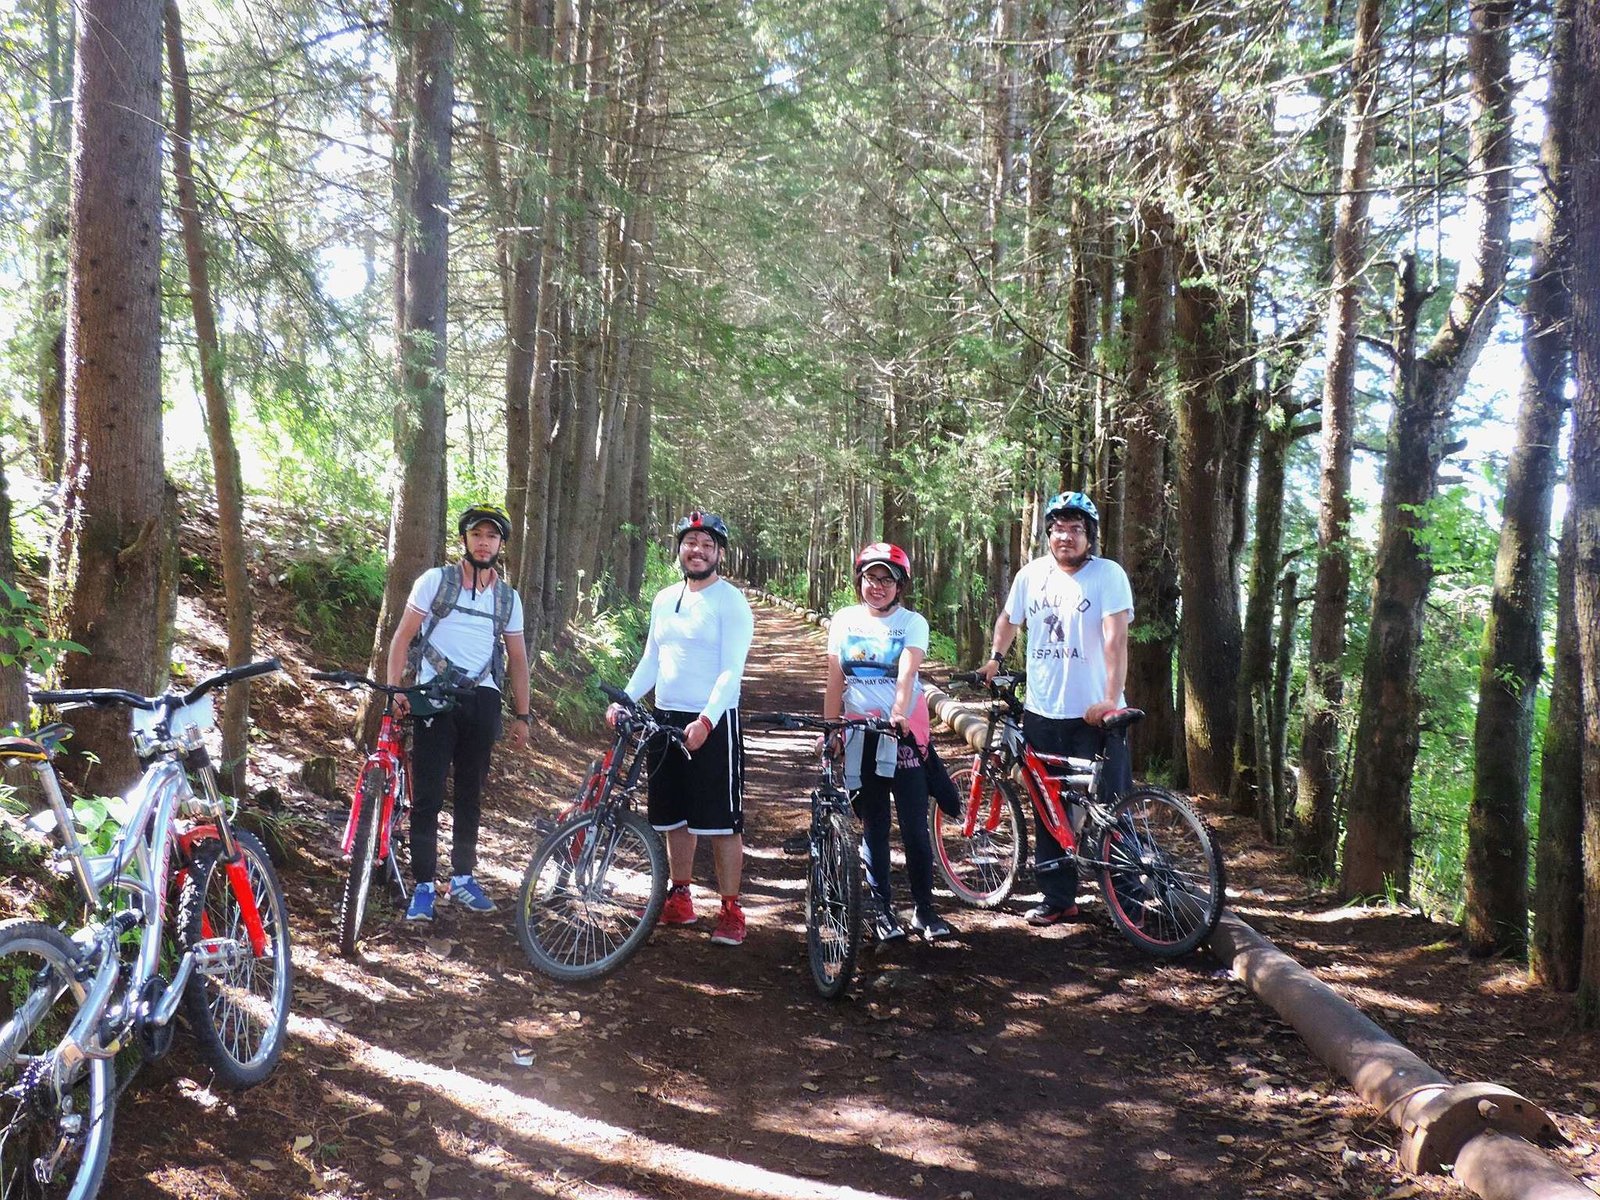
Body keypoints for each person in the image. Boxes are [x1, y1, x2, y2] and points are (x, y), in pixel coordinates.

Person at [976, 490, 1133, 927]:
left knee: (1113, 804)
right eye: (1059, 529)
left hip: (1095, 713)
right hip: (1043, 711)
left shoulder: (1108, 575)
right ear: (1048, 534)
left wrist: (1109, 698)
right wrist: (996, 657)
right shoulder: (1031, 576)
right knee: (1048, 805)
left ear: (1090, 536)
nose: (1066, 536)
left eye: (1076, 529)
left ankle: (1131, 901)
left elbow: (1116, 639)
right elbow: (1009, 619)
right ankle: (1058, 897)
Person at [608, 511, 755, 946]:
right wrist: (626, 700)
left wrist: (707, 720)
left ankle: (730, 907)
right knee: (673, 816)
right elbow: (652, 659)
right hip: (665, 716)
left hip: (713, 719)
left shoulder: (731, 602)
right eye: (690, 542)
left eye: (707, 544)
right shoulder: (664, 598)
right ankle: (680, 895)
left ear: (719, 554)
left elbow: (732, 671)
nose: (697, 550)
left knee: (723, 821)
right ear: (680, 549)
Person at [387, 503, 532, 922]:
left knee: (471, 794)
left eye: (491, 536)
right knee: (428, 795)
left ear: (500, 545)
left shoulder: (508, 598)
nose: (483, 543)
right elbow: (402, 637)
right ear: (464, 540)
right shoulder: (436, 581)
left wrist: (523, 716)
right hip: (434, 694)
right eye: (476, 535)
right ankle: (424, 886)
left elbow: (518, 659)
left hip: (482, 699)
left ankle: (464, 878)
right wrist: (397, 689)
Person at [824, 543, 954, 942]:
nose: (877, 586)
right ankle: (881, 910)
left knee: (915, 827)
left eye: (887, 579)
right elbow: (835, 678)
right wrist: (830, 729)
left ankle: (925, 910)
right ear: (859, 580)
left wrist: (898, 712)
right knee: (874, 825)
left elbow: (907, 673)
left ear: (900, 585)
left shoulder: (912, 623)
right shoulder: (844, 620)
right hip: (860, 736)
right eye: (870, 578)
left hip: (903, 735)